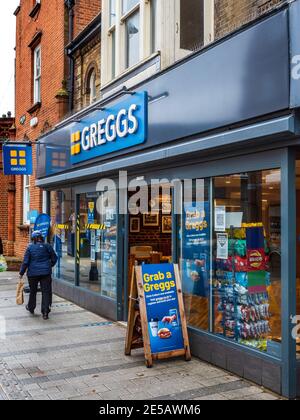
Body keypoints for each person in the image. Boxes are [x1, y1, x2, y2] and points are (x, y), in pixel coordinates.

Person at [19, 230, 58, 320]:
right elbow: (54, 258)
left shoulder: (30, 247)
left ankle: (31, 307)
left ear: (33, 239)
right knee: (46, 292)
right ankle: (45, 312)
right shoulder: (47, 246)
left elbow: (25, 262)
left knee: (33, 291)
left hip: (32, 273)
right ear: (41, 238)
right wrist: (49, 266)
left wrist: (21, 273)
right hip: (45, 273)